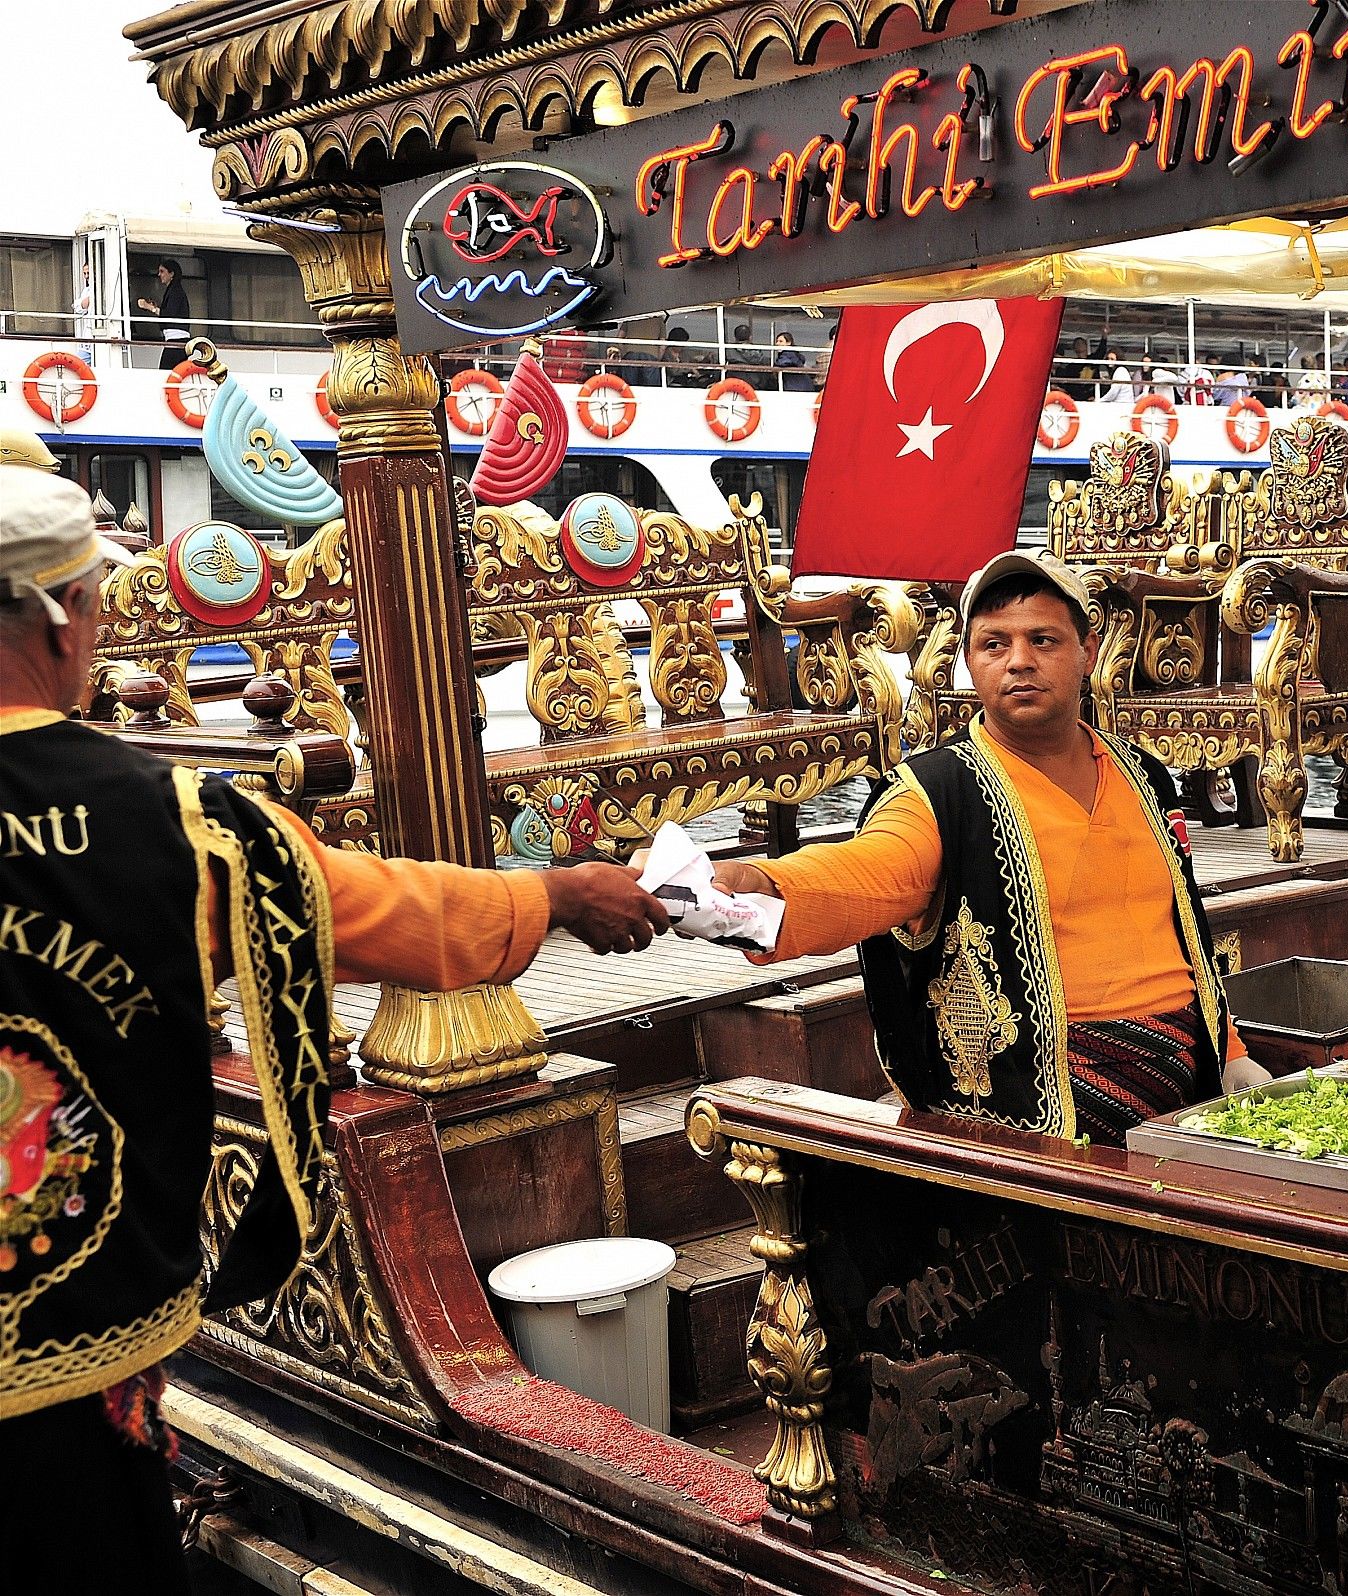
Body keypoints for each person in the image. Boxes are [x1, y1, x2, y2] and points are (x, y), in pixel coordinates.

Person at [0, 470, 666, 1588]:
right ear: (63, 617)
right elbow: (395, 913)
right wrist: (559, 896)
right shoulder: (185, 826)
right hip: (75, 1372)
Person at [672, 551, 1257, 1146]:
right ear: (968, 661)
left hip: (1192, 1079)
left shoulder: (1144, 775)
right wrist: (756, 884)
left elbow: (1186, 933)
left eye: (1044, 640)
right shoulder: (937, 791)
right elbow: (868, 873)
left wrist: (1230, 1049)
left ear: (1088, 651)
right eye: (994, 645)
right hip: (1041, 1105)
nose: (1020, 662)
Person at [131, 260, 190, 372]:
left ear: (171, 274)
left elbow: (170, 314)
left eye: (162, 271)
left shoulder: (176, 291)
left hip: (177, 340)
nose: (159, 275)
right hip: (174, 339)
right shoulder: (172, 289)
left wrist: (149, 307)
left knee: (165, 372)